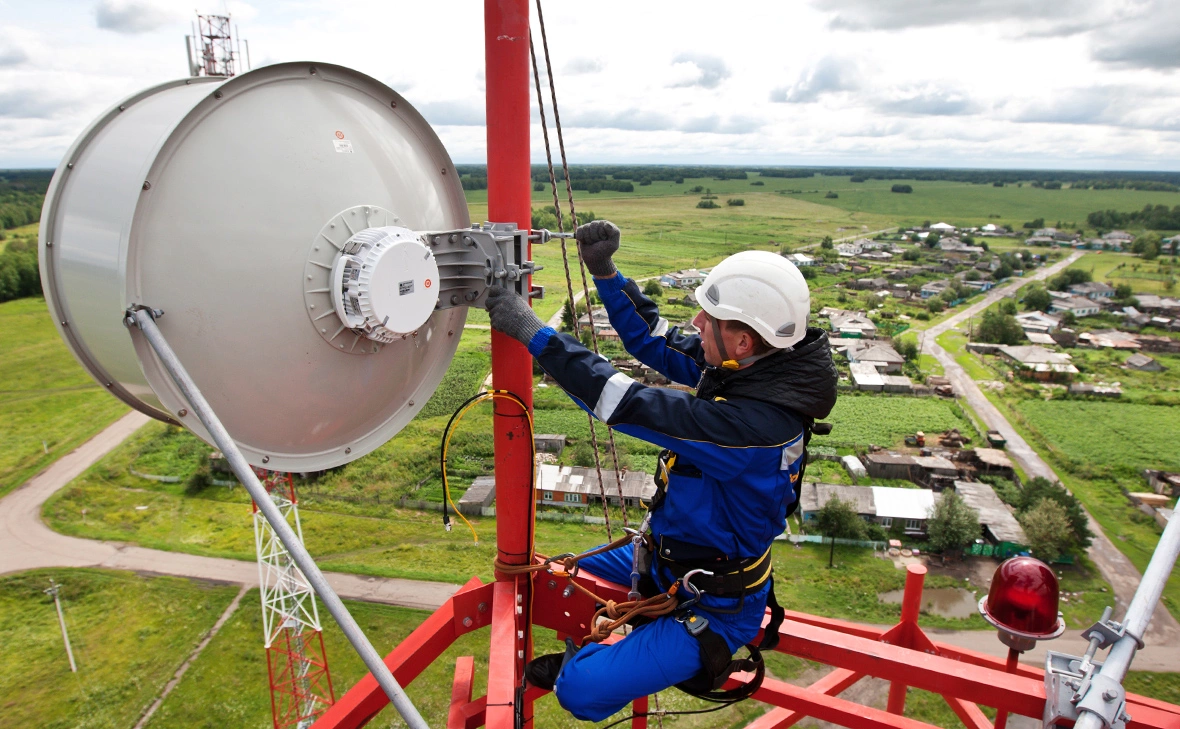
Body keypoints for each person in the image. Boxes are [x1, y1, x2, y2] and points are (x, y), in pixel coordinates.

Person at [484, 220, 837, 722]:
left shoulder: (752, 427)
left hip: (714, 599)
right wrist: (606, 274)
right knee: (551, 581)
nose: (696, 321)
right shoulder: (756, 371)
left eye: (707, 318)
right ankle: (615, 641)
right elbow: (655, 342)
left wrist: (535, 335)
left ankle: (591, 660)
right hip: (669, 556)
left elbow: (623, 401)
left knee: (580, 693)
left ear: (740, 341)